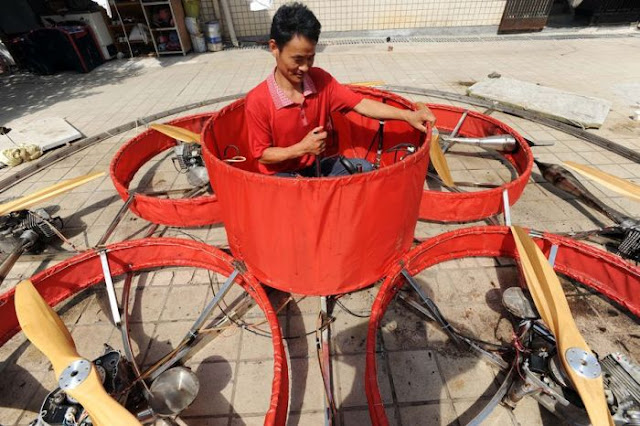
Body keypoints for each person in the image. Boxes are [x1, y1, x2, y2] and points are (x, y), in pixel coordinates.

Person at [245, 2, 436, 177]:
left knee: (365, 169)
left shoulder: (320, 80)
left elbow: (361, 104)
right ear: (274, 48)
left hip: (315, 167)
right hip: (280, 176)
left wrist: (407, 116)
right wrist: (301, 148)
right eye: (297, 60)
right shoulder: (258, 100)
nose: (304, 67)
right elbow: (262, 155)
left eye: (310, 58)